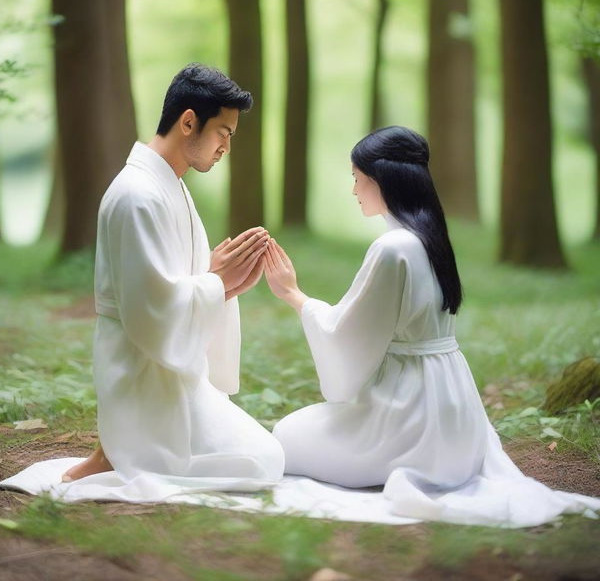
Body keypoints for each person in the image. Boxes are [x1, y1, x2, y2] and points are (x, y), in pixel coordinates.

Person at [263, 126, 600, 526]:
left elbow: (349, 334)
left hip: (408, 415)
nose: (354, 189)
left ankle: (391, 457)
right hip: (455, 414)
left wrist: (293, 294)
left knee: (284, 435)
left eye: (357, 178)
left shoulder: (392, 248)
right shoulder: (429, 239)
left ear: (380, 180)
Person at [61, 63, 284, 486]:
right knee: (262, 460)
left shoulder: (170, 186)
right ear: (188, 121)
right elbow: (150, 312)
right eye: (224, 133)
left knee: (266, 456)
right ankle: (117, 448)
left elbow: (177, 284)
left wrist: (225, 283)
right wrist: (216, 280)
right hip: (142, 377)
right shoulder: (137, 195)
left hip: (172, 373)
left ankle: (114, 448)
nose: (226, 147)